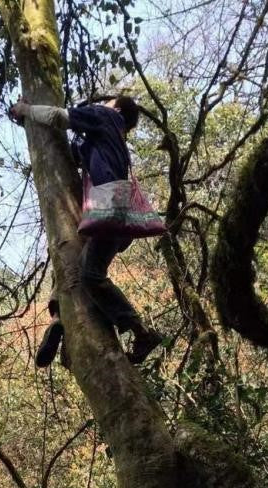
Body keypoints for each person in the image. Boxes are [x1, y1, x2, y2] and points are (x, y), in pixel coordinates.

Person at [9, 94, 162, 368]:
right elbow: (69, 154)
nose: (101, 103)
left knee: (90, 275)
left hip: (109, 206)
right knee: (71, 261)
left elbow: (58, 117)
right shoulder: (108, 139)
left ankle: (140, 332)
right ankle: (62, 324)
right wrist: (30, 125)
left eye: (108, 100)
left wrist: (26, 110)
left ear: (115, 107)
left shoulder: (104, 117)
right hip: (111, 212)